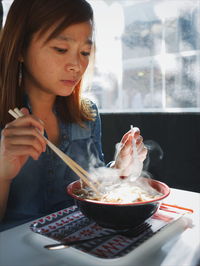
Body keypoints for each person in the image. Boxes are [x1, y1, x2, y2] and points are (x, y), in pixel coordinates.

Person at [0, 0, 147, 230]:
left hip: (80, 245)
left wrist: (119, 170)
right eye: (61, 49)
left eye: (85, 52)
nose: (77, 66)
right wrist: (2, 174)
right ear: (20, 48)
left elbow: (93, 188)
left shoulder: (88, 115)